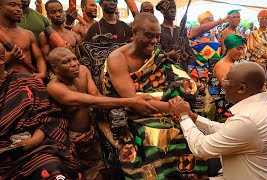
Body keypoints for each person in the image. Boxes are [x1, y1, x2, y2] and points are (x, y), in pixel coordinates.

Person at [102, 12, 211, 179]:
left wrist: (178, 99)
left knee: (188, 129)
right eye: (148, 36)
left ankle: (188, 174)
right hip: (132, 113)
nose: (154, 41)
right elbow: (133, 101)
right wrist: (176, 109)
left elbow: (174, 78)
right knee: (158, 134)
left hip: (164, 106)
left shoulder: (156, 54)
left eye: (157, 36)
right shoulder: (118, 58)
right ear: (134, 32)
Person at [169, 61, 267, 180]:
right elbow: (228, 131)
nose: (223, 84)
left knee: (194, 160)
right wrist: (193, 117)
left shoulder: (248, 120)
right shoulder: (266, 104)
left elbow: (201, 148)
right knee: (203, 163)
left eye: (227, 80)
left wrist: (183, 116)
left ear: (242, 89)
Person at [46, 47, 157, 178]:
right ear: (55, 68)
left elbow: (97, 97)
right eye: (66, 62)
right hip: (73, 139)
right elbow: (92, 101)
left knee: (103, 167)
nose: (74, 64)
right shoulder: (54, 87)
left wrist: (129, 105)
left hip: (93, 130)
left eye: (74, 59)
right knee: (83, 173)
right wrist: (131, 101)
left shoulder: (83, 71)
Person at [0, 70, 80, 179]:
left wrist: (34, 140)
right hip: (4, 161)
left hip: (40, 147)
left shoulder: (24, 81)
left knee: (50, 169)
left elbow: (51, 114)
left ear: (1, 59)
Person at [82, 0, 133, 92]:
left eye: (114, 1)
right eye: (108, 0)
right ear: (101, 4)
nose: (112, 3)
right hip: (103, 78)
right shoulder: (95, 28)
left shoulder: (125, 27)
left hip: (125, 73)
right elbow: (90, 58)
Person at [0, 0, 46, 80]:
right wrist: (9, 57)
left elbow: (39, 57)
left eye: (20, 7)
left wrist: (42, 73)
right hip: (5, 84)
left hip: (30, 80)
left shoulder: (28, 34)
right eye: (12, 5)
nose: (19, 9)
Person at [156, 0, 196, 72]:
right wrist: (168, 55)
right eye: (169, 8)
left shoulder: (180, 30)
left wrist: (191, 67)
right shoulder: (158, 30)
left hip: (182, 69)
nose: (173, 11)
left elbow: (187, 48)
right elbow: (155, 53)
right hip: (165, 70)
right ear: (162, 11)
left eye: (174, 8)